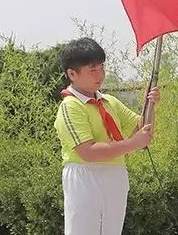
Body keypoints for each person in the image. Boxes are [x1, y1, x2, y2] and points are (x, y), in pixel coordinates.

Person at [54, 37, 160, 235]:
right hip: (85, 175)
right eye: (92, 70)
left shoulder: (109, 101)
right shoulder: (70, 106)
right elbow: (88, 152)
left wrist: (150, 104)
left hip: (115, 175)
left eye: (102, 67)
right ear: (72, 74)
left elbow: (142, 129)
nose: (100, 75)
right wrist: (132, 144)